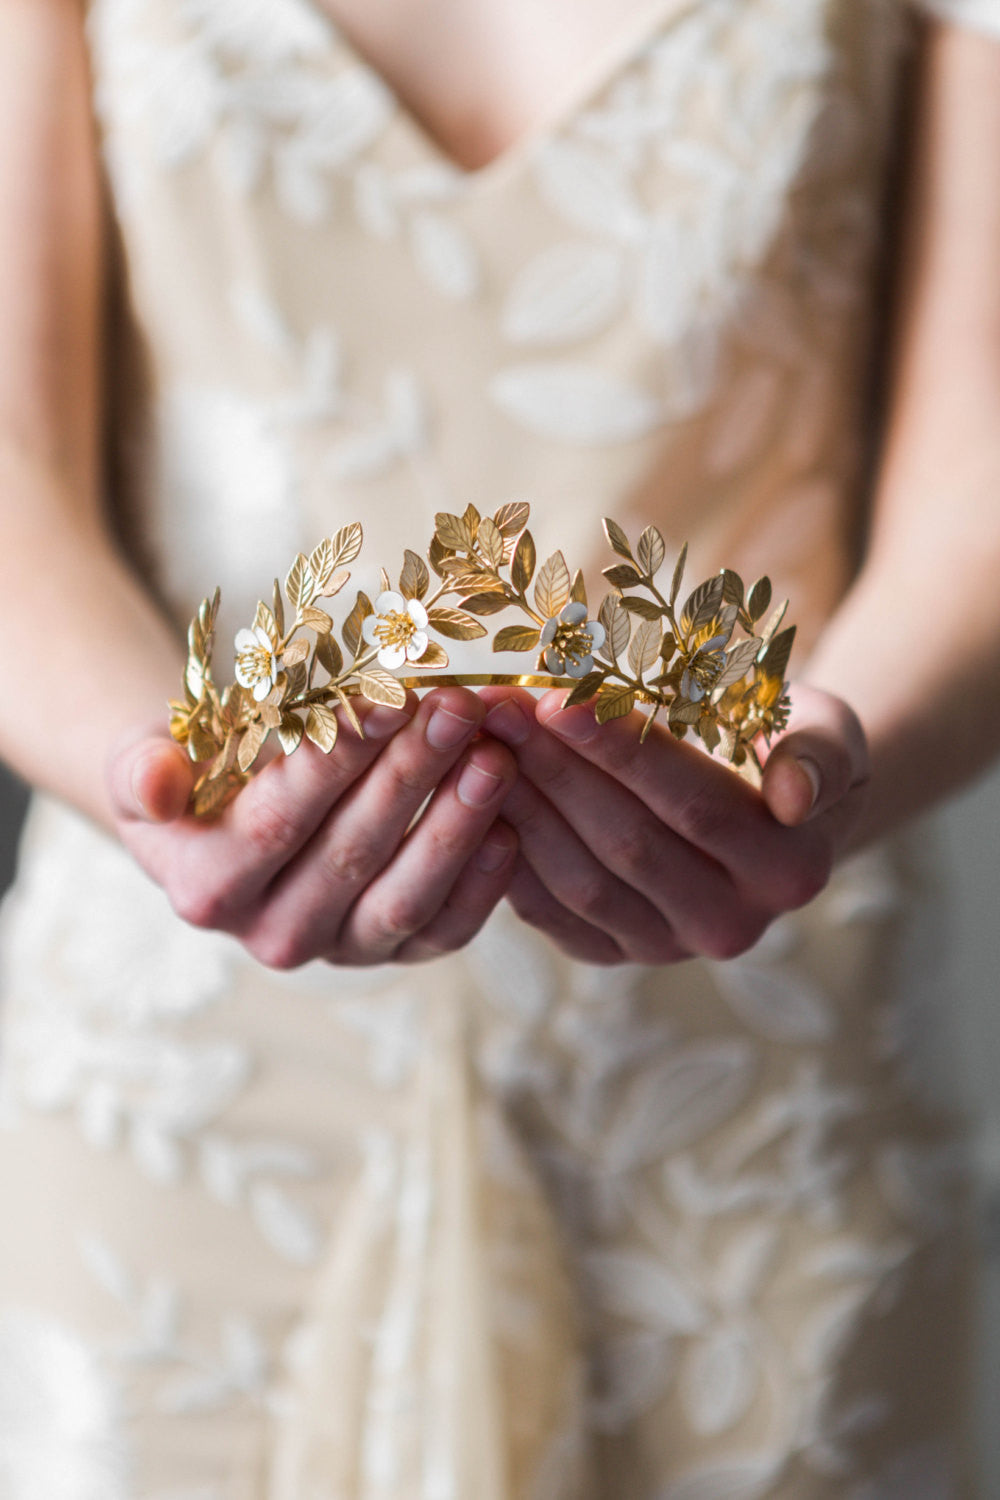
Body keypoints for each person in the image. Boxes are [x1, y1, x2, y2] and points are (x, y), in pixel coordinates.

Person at [0, 0, 997, 1494]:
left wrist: (824, 773)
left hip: (759, 1077)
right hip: (189, 1088)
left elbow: (978, 466)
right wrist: (150, 777)